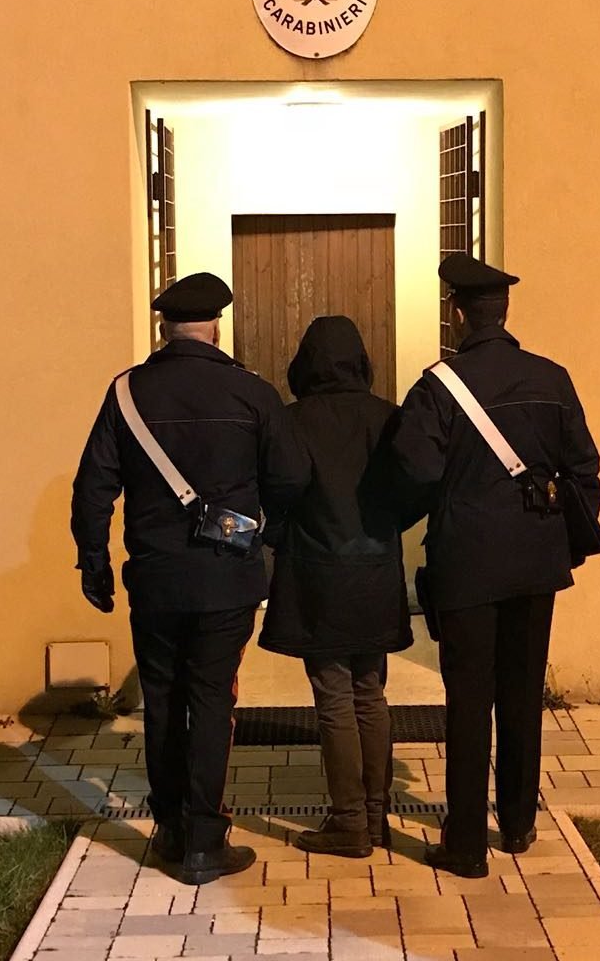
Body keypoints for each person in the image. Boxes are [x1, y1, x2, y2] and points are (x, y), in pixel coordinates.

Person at [70, 272, 309, 885]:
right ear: (216, 327)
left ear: (164, 328)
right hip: (226, 578)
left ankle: (171, 829)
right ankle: (205, 839)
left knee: (162, 699)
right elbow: (290, 479)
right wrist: (266, 532)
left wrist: (94, 564)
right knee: (210, 698)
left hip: (154, 577)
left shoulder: (126, 393)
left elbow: (93, 487)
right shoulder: (252, 393)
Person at [389, 254, 600, 878]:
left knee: (467, 699)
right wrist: (562, 540)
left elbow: (415, 472)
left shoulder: (438, 387)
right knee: (521, 693)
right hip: (535, 563)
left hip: (466, 566)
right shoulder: (552, 379)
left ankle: (464, 842)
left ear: (457, 314)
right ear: (503, 313)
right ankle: (516, 822)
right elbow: (584, 468)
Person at [258, 316, 412, 858]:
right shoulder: (388, 417)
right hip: (376, 571)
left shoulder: (292, 420)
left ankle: (347, 820)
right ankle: (375, 814)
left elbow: (280, 489)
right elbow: (413, 482)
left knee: (333, 696)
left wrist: (278, 534)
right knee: (371, 691)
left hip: (317, 572)